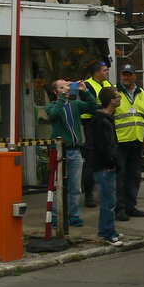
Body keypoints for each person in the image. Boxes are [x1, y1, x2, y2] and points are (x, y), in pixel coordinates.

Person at [44, 79, 97, 228]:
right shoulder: (52, 105)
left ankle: (74, 215)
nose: (66, 89)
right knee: (58, 186)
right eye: (61, 87)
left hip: (75, 150)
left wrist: (84, 91)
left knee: (75, 187)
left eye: (66, 86)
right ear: (55, 92)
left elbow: (93, 107)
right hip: (60, 150)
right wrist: (62, 97)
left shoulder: (75, 105)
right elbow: (54, 115)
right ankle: (56, 217)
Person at [114, 64, 144, 221]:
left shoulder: (141, 93)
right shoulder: (114, 92)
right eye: (124, 74)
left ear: (135, 76)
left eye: (129, 74)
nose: (126, 77)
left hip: (136, 141)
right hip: (120, 141)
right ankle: (119, 208)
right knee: (120, 176)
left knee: (134, 176)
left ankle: (131, 206)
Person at [93, 86, 124, 246]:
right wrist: (110, 163)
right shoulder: (103, 121)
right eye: (118, 97)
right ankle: (107, 233)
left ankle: (109, 230)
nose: (120, 99)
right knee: (108, 201)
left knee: (109, 200)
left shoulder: (105, 119)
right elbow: (103, 146)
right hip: (105, 167)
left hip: (106, 165)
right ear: (111, 100)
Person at [80, 60, 114, 207]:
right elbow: (90, 106)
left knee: (107, 156)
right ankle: (88, 194)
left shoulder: (108, 84)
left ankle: (106, 191)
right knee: (91, 159)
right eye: (104, 70)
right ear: (97, 72)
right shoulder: (87, 85)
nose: (107, 72)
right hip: (91, 125)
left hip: (106, 123)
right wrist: (105, 106)